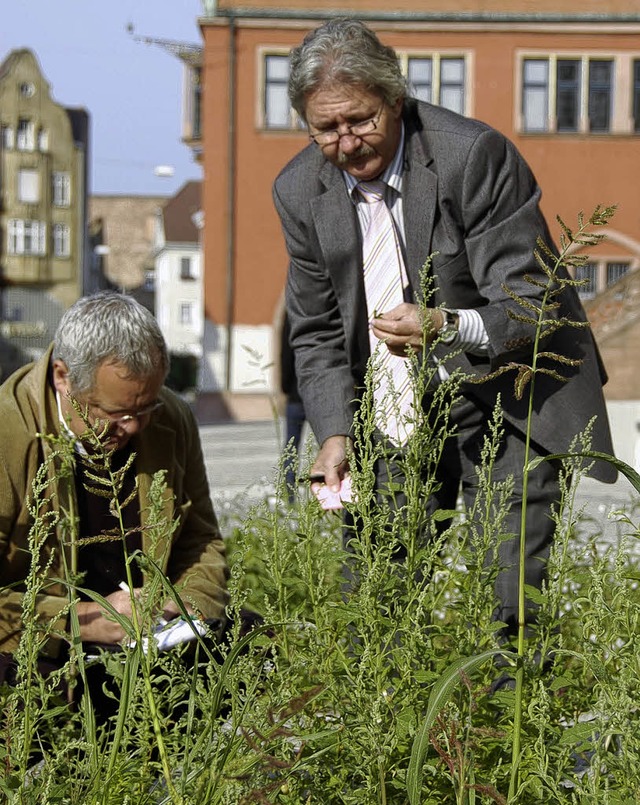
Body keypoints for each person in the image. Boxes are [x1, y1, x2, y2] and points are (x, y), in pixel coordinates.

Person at [272, 18, 617, 635]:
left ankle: (503, 719)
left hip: (508, 386)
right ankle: (395, 728)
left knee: (506, 596)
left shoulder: (473, 155)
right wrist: (331, 431)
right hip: (395, 406)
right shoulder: (299, 190)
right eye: (325, 129)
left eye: (361, 121)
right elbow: (318, 329)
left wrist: (445, 324)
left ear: (395, 100)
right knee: (375, 598)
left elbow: (530, 299)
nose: (347, 144)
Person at [0, 291, 229, 683]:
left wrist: (182, 605)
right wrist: (83, 621)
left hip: (151, 635)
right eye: (116, 414)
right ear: (63, 377)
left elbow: (201, 539)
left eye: (145, 408)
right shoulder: (8, 433)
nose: (136, 427)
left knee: (254, 644)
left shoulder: (171, 417)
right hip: (46, 644)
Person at [280, 310, 307, 501]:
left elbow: (285, 354)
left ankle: (289, 494)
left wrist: (285, 386)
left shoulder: (291, 313)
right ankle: (332, 496)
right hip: (319, 394)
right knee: (330, 443)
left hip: (296, 394)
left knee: (291, 447)